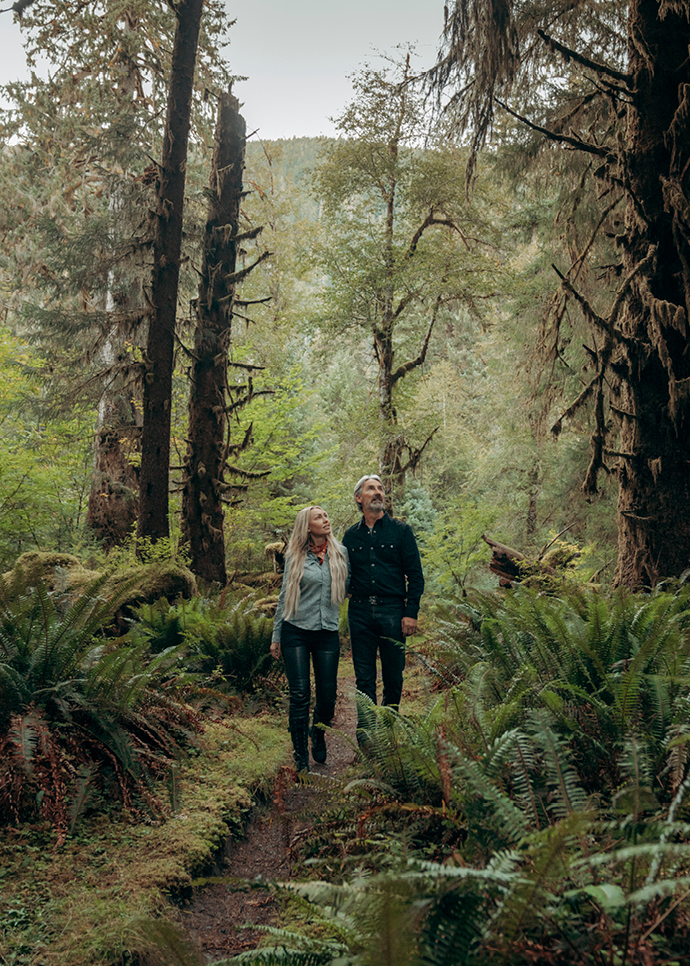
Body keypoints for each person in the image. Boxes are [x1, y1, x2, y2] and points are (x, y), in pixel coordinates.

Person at [342, 475, 424, 738]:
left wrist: (411, 613)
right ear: (359, 498)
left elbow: (416, 575)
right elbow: (343, 574)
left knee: (393, 676)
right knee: (364, 677)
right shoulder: (350, 536)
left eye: (380, 489)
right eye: (370, 489)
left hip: (393, 611)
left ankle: (388, 733)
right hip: (360, 612)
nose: (377, 493)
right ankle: (366, 737)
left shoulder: (401, 531)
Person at [270, 505, 349, 772]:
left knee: (327, 697)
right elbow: (284, 596)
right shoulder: (295, 556)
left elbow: (351, 587)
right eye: (319, 517)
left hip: (327, 631)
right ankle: (300, 755)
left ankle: (318, 731)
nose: (325, 520)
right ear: (307, 526)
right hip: (296, 630)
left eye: (326, 515)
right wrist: (276, 635)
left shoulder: (341, 553)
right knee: (300, 694)